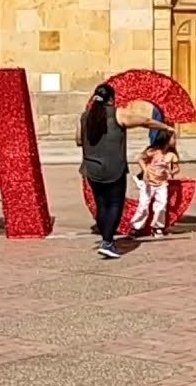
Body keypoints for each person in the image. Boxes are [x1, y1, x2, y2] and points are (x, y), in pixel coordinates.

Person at [75, 83, 172, 259]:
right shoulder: (118, 114)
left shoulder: (85, 117)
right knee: (114, 205)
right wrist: (165, 127)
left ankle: (106, 238)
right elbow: (145, 121)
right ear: (112, 99)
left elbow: (79, 141)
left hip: (91, 168)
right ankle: (107, 242)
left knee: (101, 204)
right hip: (113, 168)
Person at [130, 138, 180, 238]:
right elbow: (140, 159)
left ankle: (158, 227)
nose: (174, 140)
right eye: (172, 138)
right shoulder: (153, 151)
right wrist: (145, 171)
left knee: (161, 205)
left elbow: (176, 168)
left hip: (162, 184)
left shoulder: (171, 155)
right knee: (143, 205)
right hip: (148, 183)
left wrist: (172, 172)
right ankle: (136, 227)